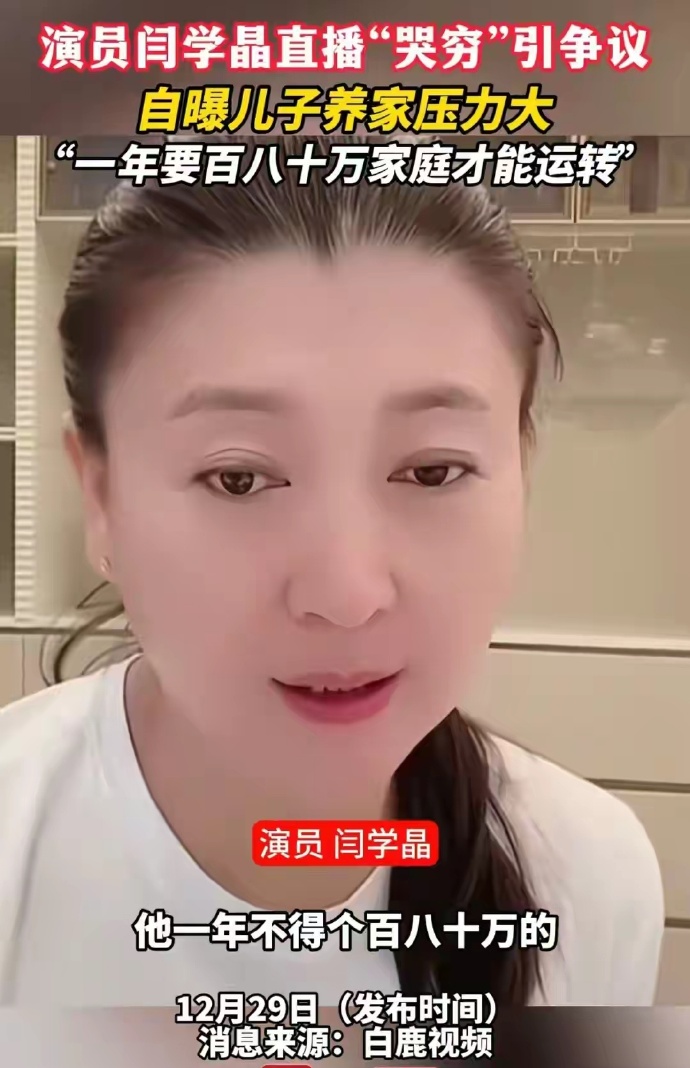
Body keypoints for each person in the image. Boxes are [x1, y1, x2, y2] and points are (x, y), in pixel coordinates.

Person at [0, 136, 663, 1006]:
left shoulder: (585, 875)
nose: (348, 596)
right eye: (238, 478)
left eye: (432, 471)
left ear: (523, 475)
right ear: (100, 496)